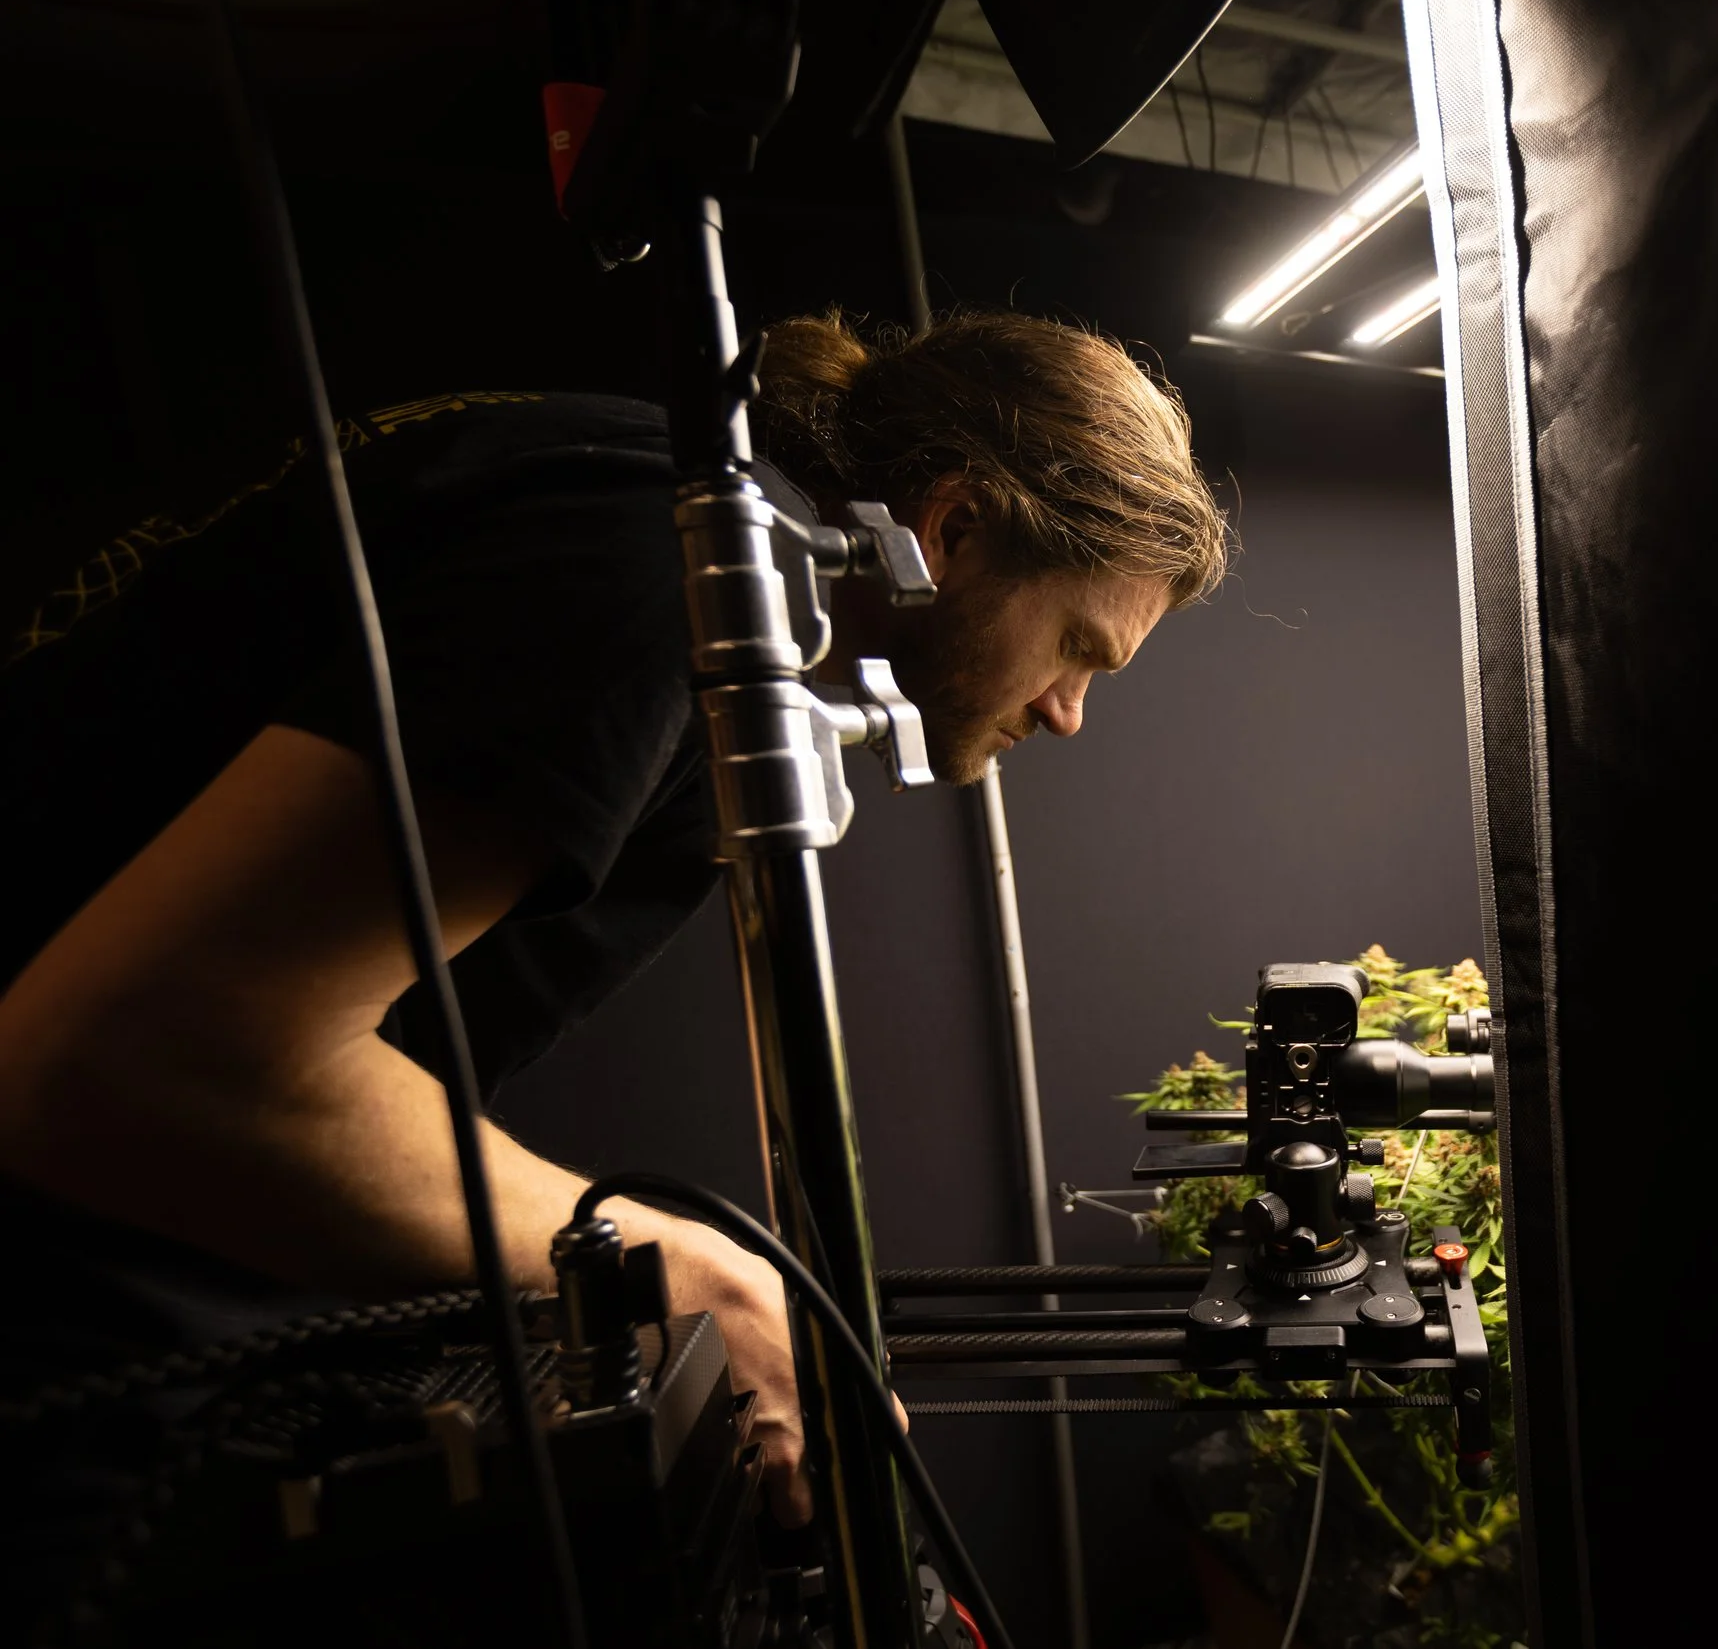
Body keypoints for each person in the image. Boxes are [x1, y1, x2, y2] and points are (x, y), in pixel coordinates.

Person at [0, 307, 1229, 1539]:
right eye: (1080, 650)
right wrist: (686, 1273)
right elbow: (141, 1055)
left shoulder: (659, 530)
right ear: (953, 528)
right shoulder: (651, 565)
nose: (1067, 711)